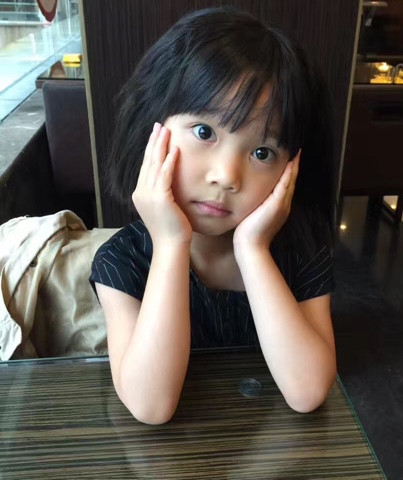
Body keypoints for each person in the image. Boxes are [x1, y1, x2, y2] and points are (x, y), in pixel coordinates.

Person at [90, 6, 337, 424]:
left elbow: (308, 392)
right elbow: (151, 407)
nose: (226, 176)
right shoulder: (121, 261)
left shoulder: (302, 251)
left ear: (292, 168)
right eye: (204, 132)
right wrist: (171, 243)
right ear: (152, 127)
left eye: (262, 152)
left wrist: (253, 250)